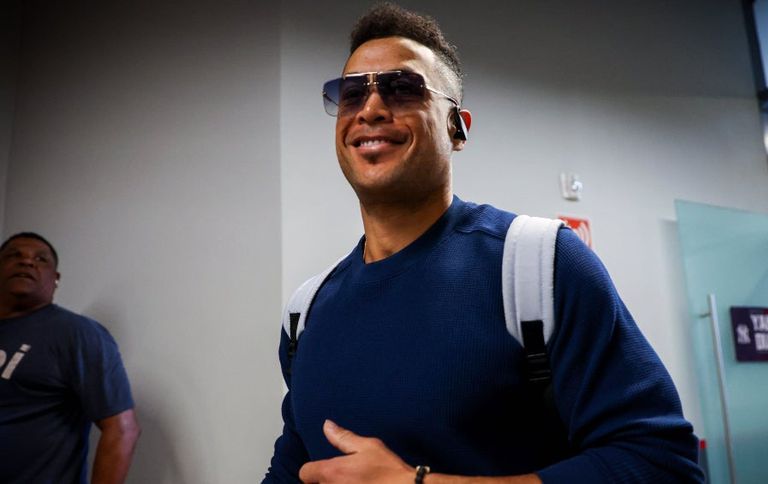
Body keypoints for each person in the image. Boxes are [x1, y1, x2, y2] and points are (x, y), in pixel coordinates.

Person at [265, 3, 703, 483]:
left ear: (457, 127)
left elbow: (662, 464)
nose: (369, 109)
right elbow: (291, 469)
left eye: (402, 88)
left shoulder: (541, 267)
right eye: (351, 93)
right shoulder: (306, 314)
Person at [0, 232, 140, 483]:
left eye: (41, 259)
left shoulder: (77, 334)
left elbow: (122, 430)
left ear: (56, 279)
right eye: (14, 255)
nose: (27, 261)